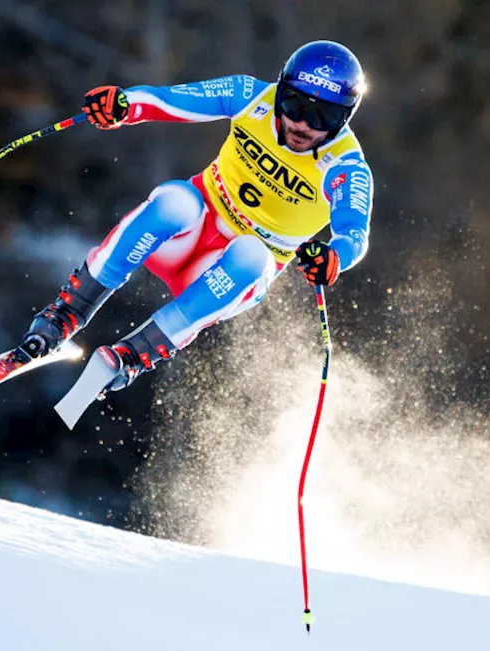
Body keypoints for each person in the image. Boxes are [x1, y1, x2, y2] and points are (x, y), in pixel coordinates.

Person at [19, 40, 373, 395]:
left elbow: (353, 233)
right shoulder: (251, 97)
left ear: (344, 118)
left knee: (253, 254)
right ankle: (66, 314)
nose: (302, 123)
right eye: (294, 104)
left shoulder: (345, 165)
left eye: (322, 116)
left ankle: (133, 357)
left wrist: (333, 257)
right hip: (185, 234)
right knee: (176, 200)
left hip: (224, 274)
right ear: (280, 92)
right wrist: (124, 106)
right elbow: (169, 99)